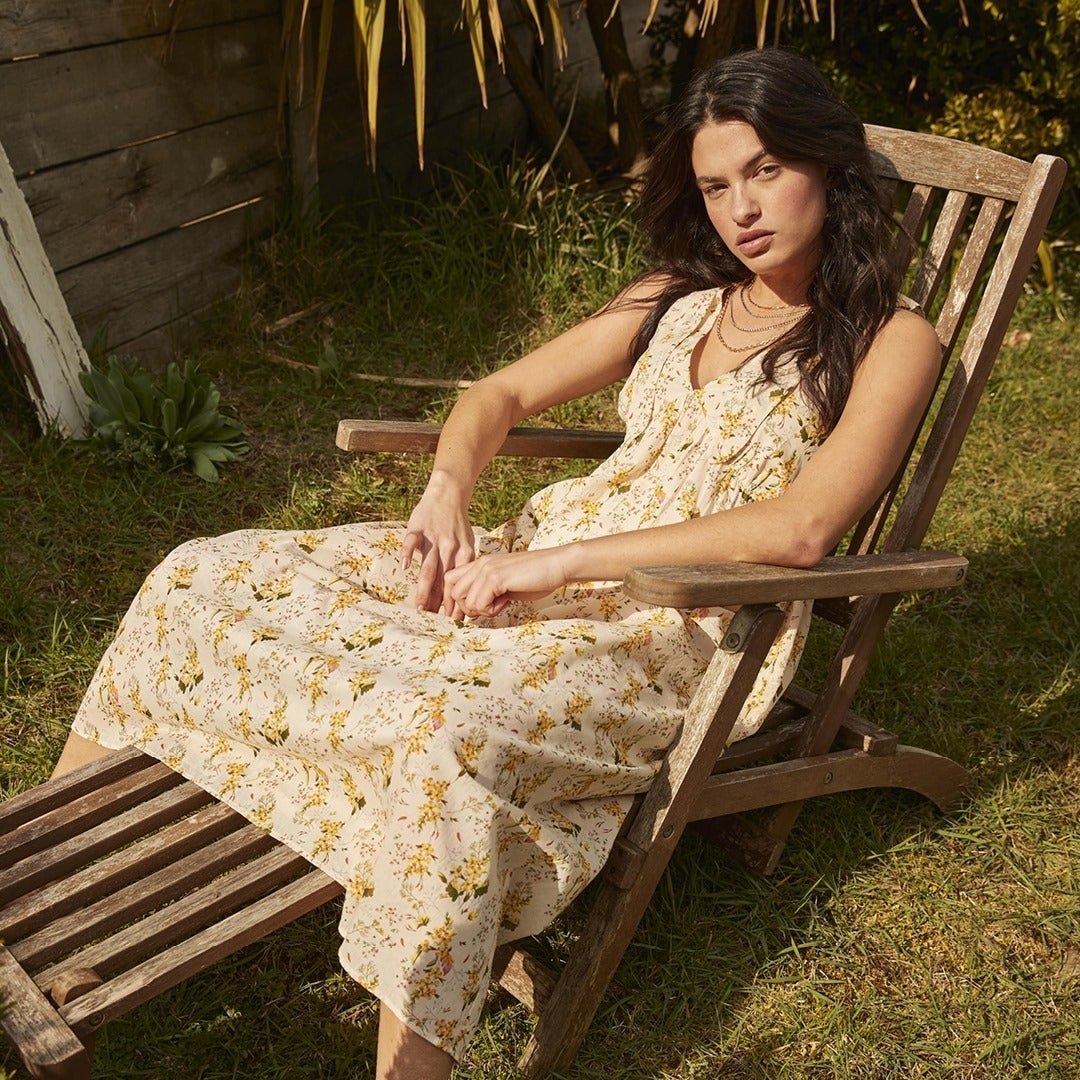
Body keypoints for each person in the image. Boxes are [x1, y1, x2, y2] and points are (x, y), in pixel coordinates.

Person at [53, 47, 940, 1080]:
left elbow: (799, 529)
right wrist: (449, 491)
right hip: (526, 567)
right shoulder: (677, 297)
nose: (741, 208)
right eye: (713, 184)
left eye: (766, 169)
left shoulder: (891, 339)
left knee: (443, 734)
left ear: (827, 164)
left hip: (669, 628)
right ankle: (55, 890)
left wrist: (560, 568)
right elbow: (496, 397)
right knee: (202, 574)